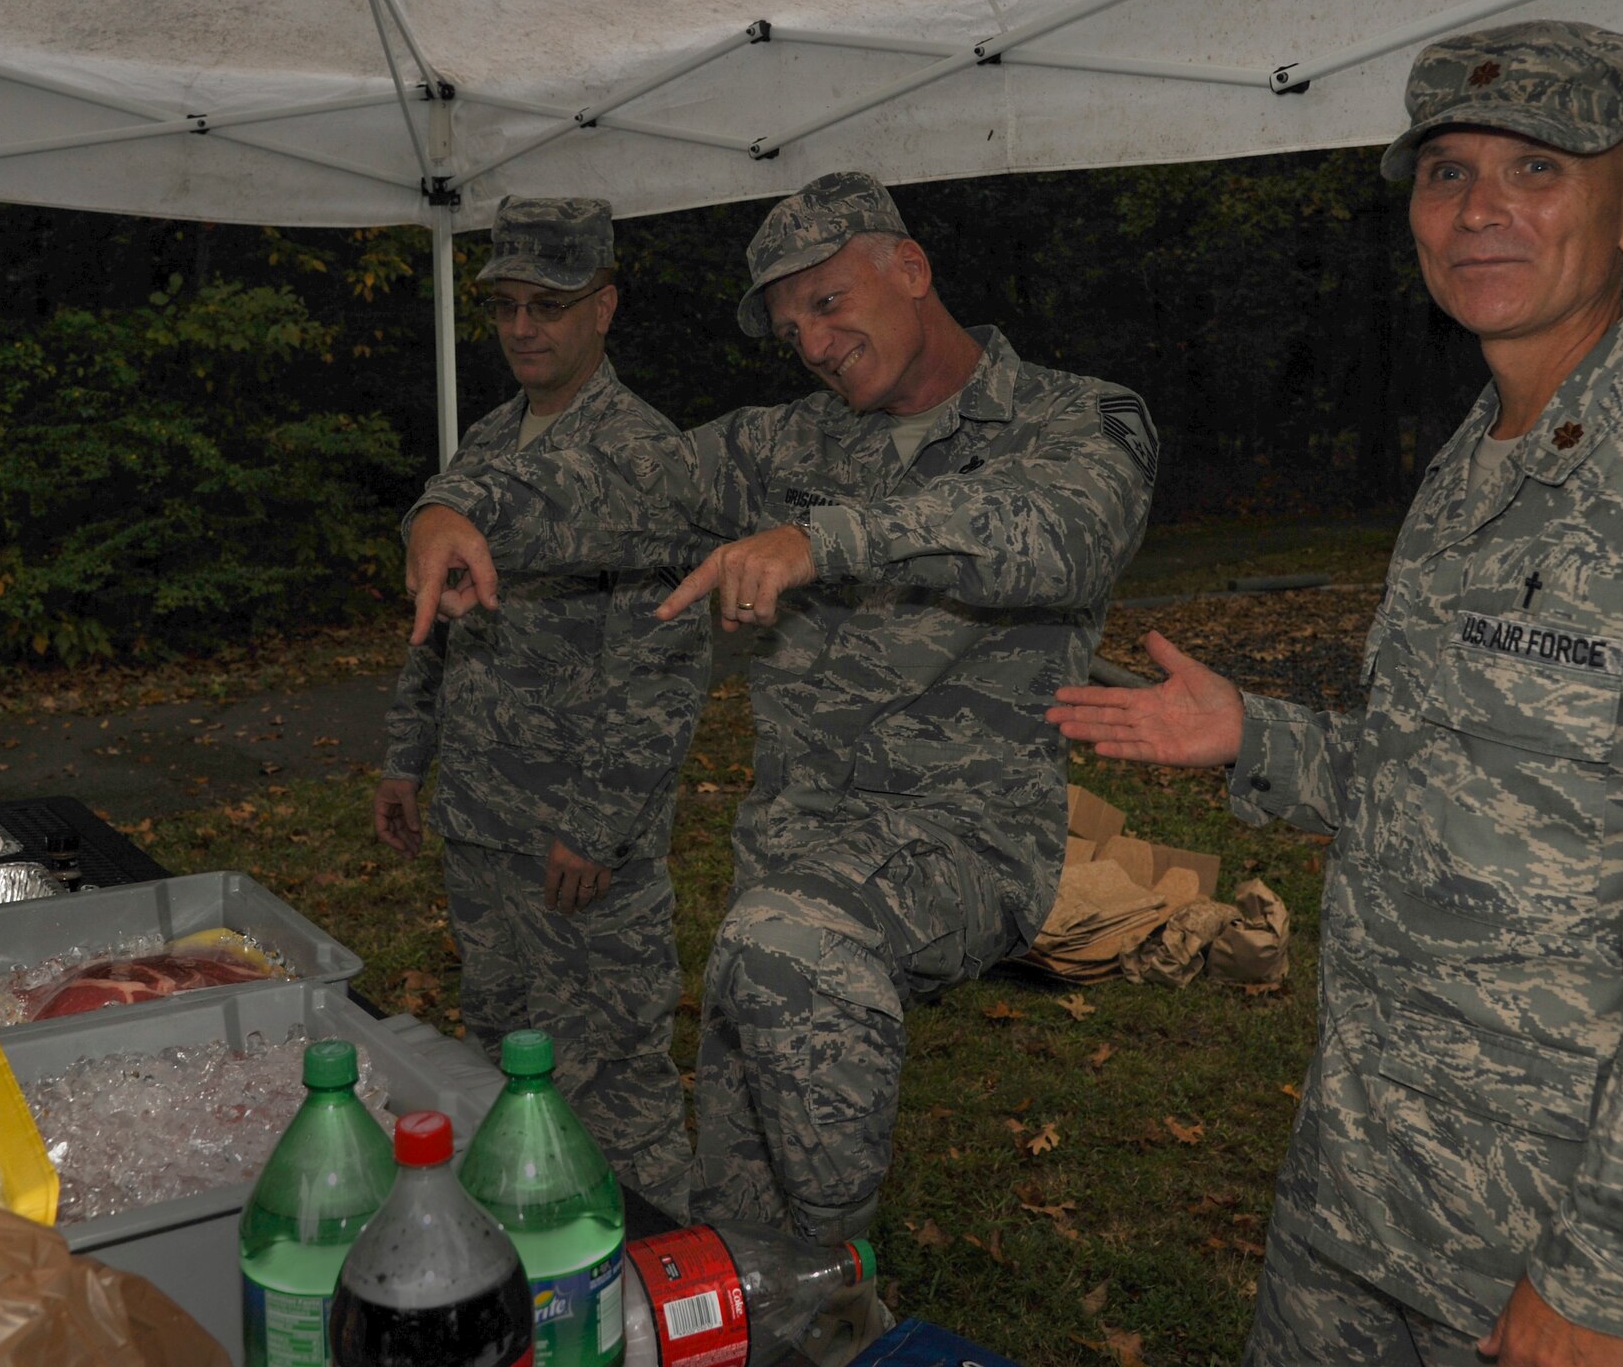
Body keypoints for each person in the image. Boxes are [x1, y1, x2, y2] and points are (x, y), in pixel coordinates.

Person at [1049, 21, 1623, 1367]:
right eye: (1446, 171)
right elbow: (1468, 783)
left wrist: (1610, 1289)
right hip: (1365, 1208)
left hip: (1560, 1260)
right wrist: (1256, 736)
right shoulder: (1472, 467)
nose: (1480, 206)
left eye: (1538, 167)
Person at [403, 169, 1158, 1244]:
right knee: (736, 1193)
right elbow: (613, 481)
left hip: (962, 843)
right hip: (787, 860)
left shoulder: (1075, 415)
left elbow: (1060, 533)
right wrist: (445, 509)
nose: (810, 341)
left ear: (909, 269)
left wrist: (823, 538)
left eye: (827, 301)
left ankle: (834, 1266)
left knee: (784, 964)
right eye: (788, 323)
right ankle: (771, 1298)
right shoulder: (783, 445)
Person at [375, 196, 710, 1220]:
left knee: (611, 1081)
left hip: (575, 850)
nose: (524, 327)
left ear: (602, 308)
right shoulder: (489, 438)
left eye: (551, 306)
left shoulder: (645, 455)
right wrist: (404, 755)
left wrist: (597, 826)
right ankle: (535, 1247)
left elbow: (662, 672)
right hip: (480, 825)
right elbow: (438, 615)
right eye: (509, 306)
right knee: (500, 1064)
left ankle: (669, 1277)